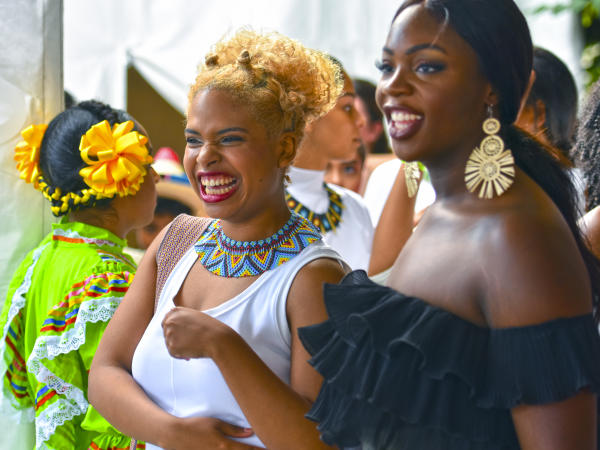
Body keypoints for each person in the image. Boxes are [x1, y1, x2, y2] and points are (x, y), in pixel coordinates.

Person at [299, 1, 600, 449]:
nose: (391, 89)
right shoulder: (454, 207)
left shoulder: (515, 236)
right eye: (387, 65)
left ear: (492, 90)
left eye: (426, 66)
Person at [88, 29, 347, 450]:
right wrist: (176, 434)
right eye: (194, 139)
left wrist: (222, 344)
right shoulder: (175, 241)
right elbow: (104, 373)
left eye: (229, 139)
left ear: (284, 149)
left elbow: (319, 443)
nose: (204, 157)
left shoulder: (314, 278)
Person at [0, 100, 158, 449]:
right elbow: (119, 413)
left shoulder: (42, 259)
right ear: (119, 177)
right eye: (146, 163)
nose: (158, 176)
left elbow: (19, 386)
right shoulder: (108, 277)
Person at [287, 59, 374, 271]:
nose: (361, 120)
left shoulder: (355, 208)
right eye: (347, 107)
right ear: (307, 118)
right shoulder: (259, 211)